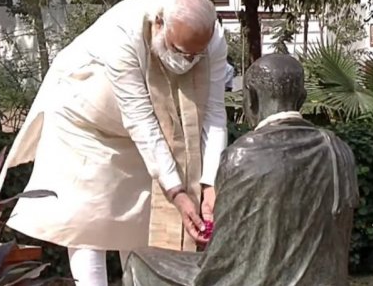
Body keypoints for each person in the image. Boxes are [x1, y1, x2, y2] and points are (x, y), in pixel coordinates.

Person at [0, 0, 228, 286]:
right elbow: (140, 119)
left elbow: (214, 113)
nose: (188, 61)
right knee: (87, 225)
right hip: (83, 125)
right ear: (160, 25)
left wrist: (209, 184)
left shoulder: (215, 41)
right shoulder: (124, 30)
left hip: (138, 139)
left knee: (141, 228)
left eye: (196, 55)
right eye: (180, 51)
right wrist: (178, 192)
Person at [122, 54, 359, 286]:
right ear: (302, 99)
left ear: (252, 99)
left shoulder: (242, 156)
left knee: (139, 260)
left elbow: (223, 259)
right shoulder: (339, 150)